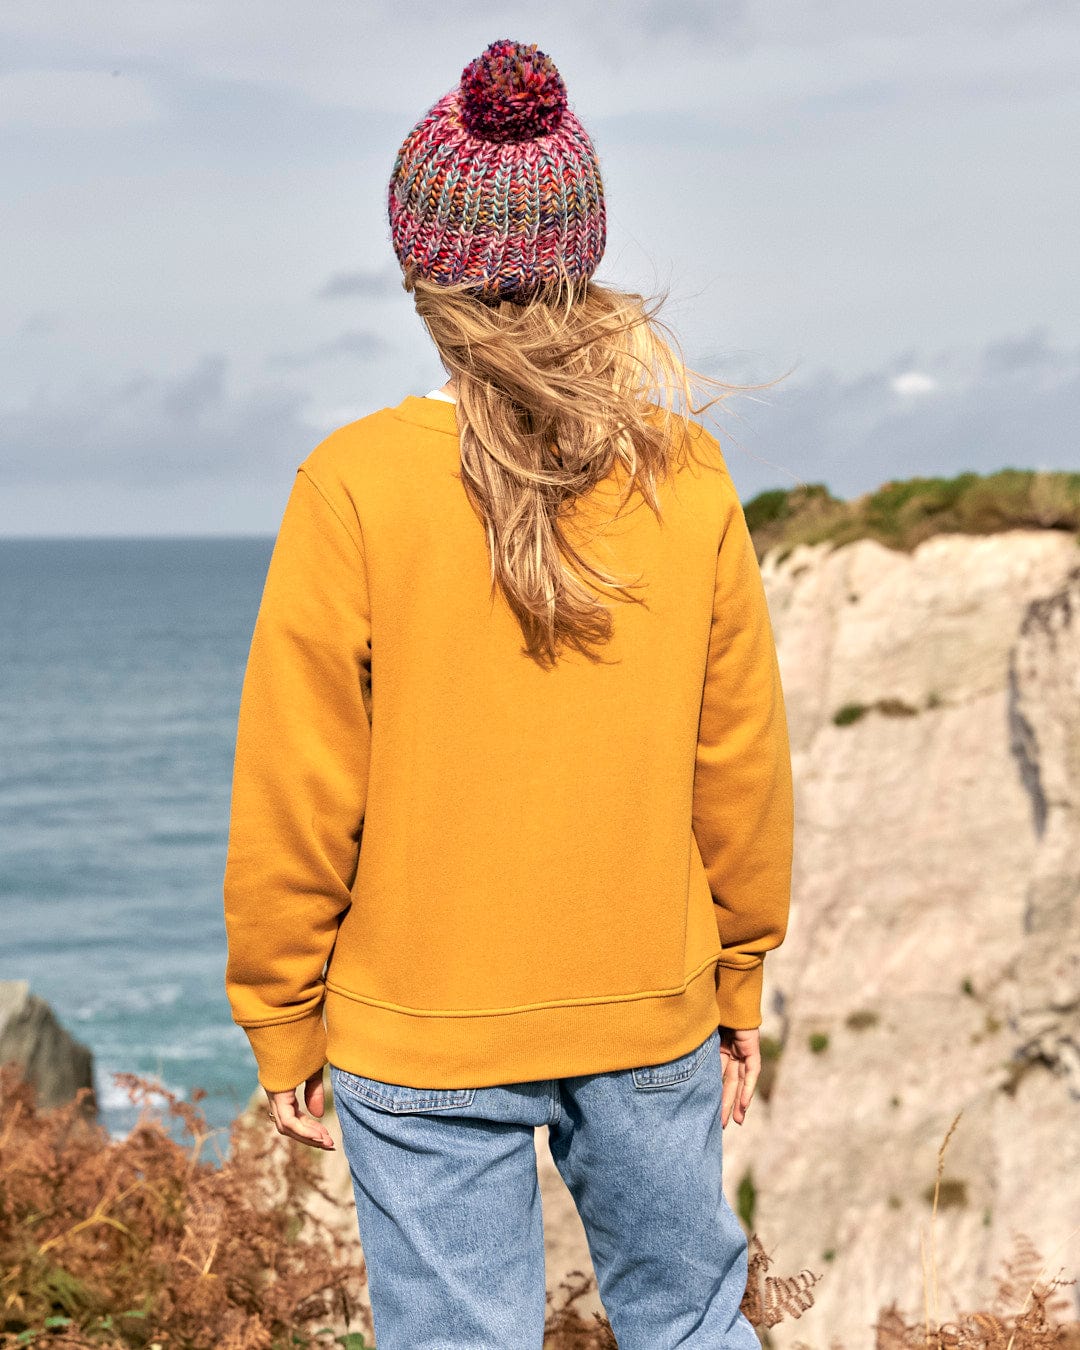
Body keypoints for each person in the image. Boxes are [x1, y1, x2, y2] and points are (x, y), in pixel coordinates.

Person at [223, 36, 794, 1350]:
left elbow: (301, 789)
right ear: (581, 259)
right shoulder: (685, 473)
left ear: (418, 271)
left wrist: (281, 1013)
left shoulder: (351, 484)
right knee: (695, 1322)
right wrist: (741, 976)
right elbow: (741, 765)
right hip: (647, 1002)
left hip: (415, 1029)